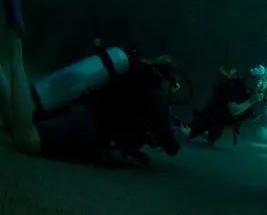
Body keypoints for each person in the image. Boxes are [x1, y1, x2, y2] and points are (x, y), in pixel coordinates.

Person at [0, 35, 181, 165]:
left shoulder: (134, 71)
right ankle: (15, 49)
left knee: (13, 124)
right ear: (168, 77)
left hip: (79, 106)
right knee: (25, 138)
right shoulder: (154, 91)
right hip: (87, 125)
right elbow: (171, 147)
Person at [181, 64, 267, 145]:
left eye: (266, 82)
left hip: (220, 122)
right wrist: (252, 101)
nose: (262, 85)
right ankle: (187, 128)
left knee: (213, 135)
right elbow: (233, 109)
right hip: (211, 116)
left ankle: (197, 131)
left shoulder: (252, 95)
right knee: (190, 131)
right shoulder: (236, 87)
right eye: (261, 81)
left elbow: (245, 120)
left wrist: (261, 113)